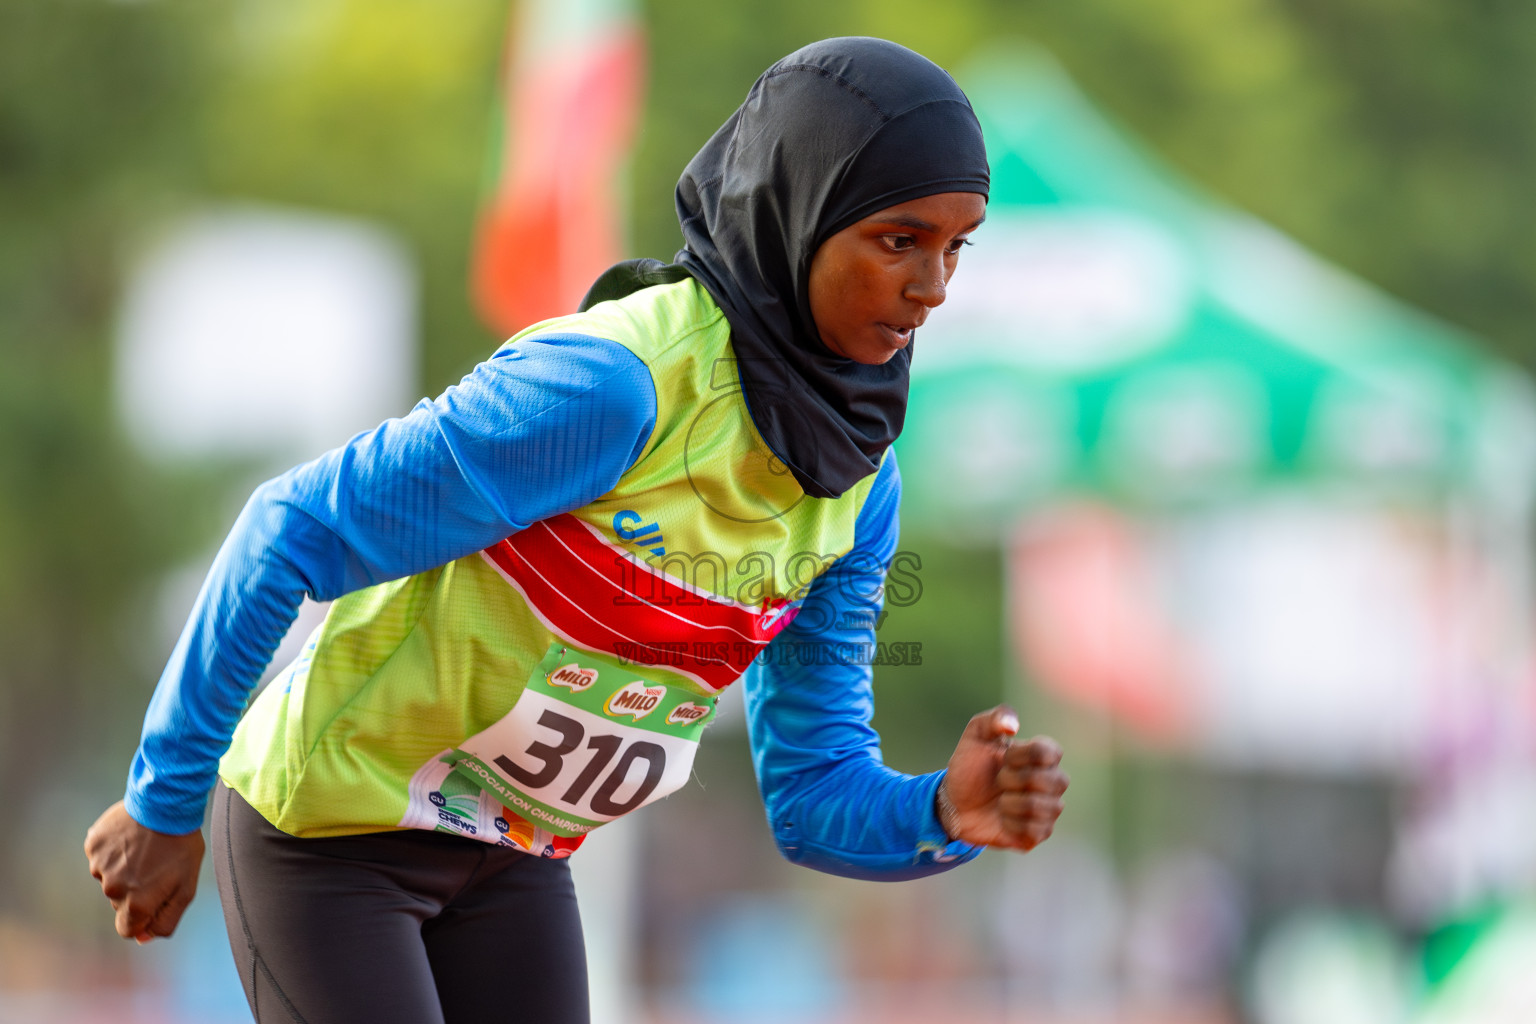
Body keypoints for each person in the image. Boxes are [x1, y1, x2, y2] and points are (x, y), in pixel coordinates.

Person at [85, 36, 1068, 1024]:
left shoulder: (861, 487)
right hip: (329, 834)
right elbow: (288, 530)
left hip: (510, 855)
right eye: (899, 240)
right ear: (796, 211)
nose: (934, 286)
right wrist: (163, 802)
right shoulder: (608, 390)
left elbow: (813, 792)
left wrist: (944, 811)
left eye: (957, 246)